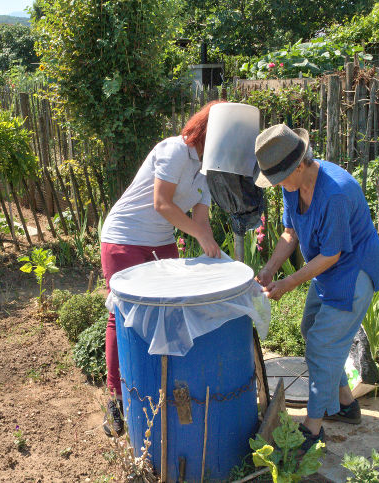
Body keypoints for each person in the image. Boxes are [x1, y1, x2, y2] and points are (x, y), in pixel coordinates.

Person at [252, 124, 379, 452]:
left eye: (280, 178)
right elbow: (290, 233)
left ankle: (313, 428)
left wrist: (288, 282)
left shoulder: (335, 192)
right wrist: (269, 269)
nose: (278, 186)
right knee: (310, 327)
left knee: (322, 345)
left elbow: (332, 254)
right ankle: (344, 403)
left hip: (352, 271)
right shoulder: (292, 185)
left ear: (298, 165)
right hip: (327, 269)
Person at [99, 101, 223, 436]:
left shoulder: (207, 172)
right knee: (122, 315)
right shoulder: (175, 150)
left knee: (165, 312)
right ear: (209, 131)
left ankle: (155, 386)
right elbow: (162, 203)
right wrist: (198, 235)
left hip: (160, 241)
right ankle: (116, 397)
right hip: (124, 238)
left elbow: (201, 221)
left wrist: (216, 255)